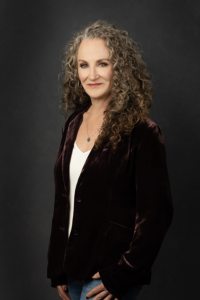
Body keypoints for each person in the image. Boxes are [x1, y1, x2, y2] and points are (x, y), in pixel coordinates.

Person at [47, 20, 173, 300]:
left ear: (121, 69)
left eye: (102, 63)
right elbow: (63, 201)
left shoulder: (143, 132)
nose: (92, 74)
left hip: (110, 273)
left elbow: (157, 213)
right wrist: (57, 267)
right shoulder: (73, 123)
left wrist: (123, 272)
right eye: (83, 65)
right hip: (71, 269)